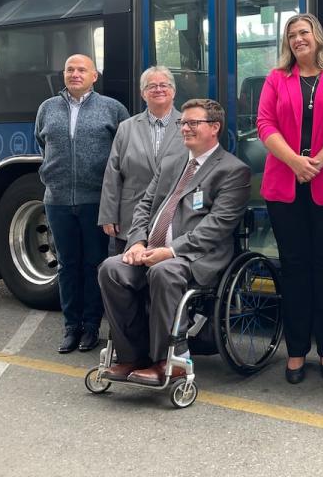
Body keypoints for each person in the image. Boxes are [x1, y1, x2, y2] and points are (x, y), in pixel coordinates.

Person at [97, 99, 251, 385]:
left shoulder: (233, 170)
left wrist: (170, 251)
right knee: (111, 268)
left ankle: (167, 361)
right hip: (153, 250)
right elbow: (144, 206)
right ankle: (131, 356)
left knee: (163, 272)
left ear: (214, 127)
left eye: (193, 123)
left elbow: (216, 227)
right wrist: (137, 243)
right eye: (183, 123)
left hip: (197, 257)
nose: (185, 129)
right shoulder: (171, 163)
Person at [257, 14, 323, 384]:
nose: (298, 39)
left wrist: (318, 161)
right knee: (295, 269)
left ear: (317, 37)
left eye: (304, 32)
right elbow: (265, 124)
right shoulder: (276, 78)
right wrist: (295, 162)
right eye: (292, 34)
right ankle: (296, 350)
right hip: (284, 186)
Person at [35, 54, 130, 354]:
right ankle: (70, 327)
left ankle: (91, 327)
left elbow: (123, 152)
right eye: (70, 69)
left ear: (94, 76)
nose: (75, 74)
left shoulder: (113, 109)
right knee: (67, 265)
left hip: (96, 201)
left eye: (81, 70)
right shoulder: (47, 108)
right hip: (58, 200)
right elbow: (41, 142)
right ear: (63, 74)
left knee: (94, 264)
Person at [98, 67, 186, 256]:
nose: (158, 89)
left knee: (164, 275)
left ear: (174, 91)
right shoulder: (126, 127)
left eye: (164, 85)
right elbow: (113, 173)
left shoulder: (188, 125)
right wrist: (108, 215)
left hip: (173, 217)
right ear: (142, 93)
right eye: (151, 86)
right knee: (126, 274)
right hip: (130, 218)